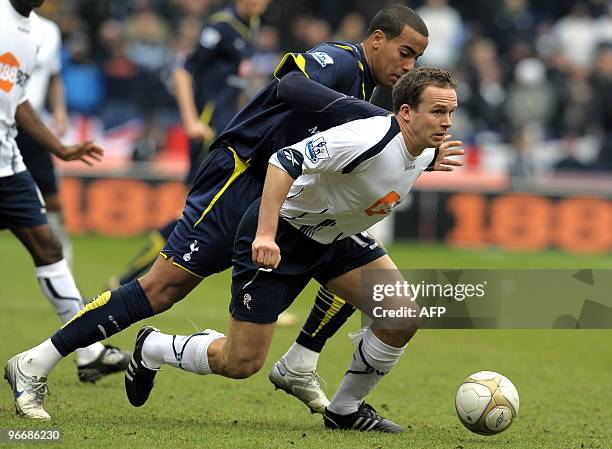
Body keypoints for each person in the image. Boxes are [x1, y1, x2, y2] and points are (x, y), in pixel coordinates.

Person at [4, 5, 443, 420]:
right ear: (377, 39)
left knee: (353, 256)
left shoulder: (371, 89)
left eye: (417, 57)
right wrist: (367, 112)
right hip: (240, 176)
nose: (408, 65)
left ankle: (304, 362)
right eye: (405, 53)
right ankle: (35, 361)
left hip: (289, 197)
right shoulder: (343, 61)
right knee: (162, 289)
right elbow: (289, 83)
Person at [125, 67, 462, 433]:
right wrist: (266, 235)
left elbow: (390, 166)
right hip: (284, 233)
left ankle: (345, 410)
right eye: (437, 112)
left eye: (451, 113)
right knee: (241, 362)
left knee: (402, 317)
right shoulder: (367, 137)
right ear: (406, 112)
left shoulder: (422, 148)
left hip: (335, 238)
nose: (447, 122)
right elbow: (283, 161)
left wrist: (430, 160)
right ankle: (154, 346)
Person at [0, 0, 132, 414]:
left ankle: (87, 348)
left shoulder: (37, 33)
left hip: (9, 163)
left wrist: (61, 147)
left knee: (49, 246)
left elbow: (18, 101)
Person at [110, 0, 270, 286]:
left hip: (230, 133)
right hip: (209, 135)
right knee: (191, 215)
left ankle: (256, 302)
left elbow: (235, 86)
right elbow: (184, 71)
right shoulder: (220, 26)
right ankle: (126, 281)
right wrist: (191, 121)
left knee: (232, 211)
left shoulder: (251, 26)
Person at [16, 13, 72, 267]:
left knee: (52, 202)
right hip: (5, 121)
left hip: (33, 127)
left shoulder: (50, 31)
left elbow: (53, 75)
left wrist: (60, 111)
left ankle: (64, 267)